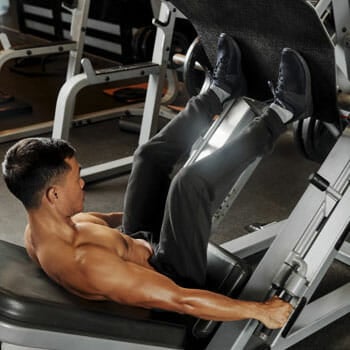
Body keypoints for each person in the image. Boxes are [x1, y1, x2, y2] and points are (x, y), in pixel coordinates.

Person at [2, 33, 313, 329]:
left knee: (147, 158)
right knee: (189, 185)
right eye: (77, 178)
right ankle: (284, 112)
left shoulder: (40, 226)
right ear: (53, 195)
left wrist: (174, 218)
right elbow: (181, 300)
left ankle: (220, 91)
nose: (83, 184)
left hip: (139, 243)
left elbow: (111, 219)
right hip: (175, 281)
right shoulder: (88, 265)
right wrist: (261, 311)